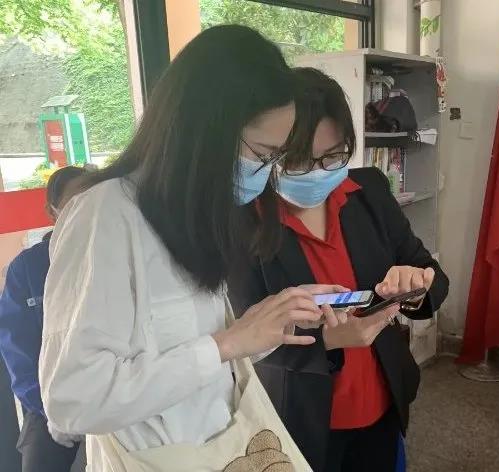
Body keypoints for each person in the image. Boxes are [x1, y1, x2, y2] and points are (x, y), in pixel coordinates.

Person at [38, 26, 343, 471]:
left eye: (275, 159)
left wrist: (269, 321)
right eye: (263, 153)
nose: (266, 172)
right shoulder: (104, 215)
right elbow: (73, 401)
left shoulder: (193, 212)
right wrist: (226, 343)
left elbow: (199, 350)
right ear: (204, 131)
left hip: (220, 450)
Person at [229, 68, 450, 472]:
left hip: (382, 401)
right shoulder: (243, 220)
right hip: (300, 416)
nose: (318, 171)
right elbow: (243, 334)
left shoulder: (368, 190)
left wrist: (415, 287)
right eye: (298, 160)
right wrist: (328, 340)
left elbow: (430, 272)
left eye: (332, 156)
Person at [0, 166, 87, 472]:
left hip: (110, 392)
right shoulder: (27, 269)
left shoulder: (113, 257)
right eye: (75, 202)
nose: (86, 210)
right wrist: (50, 409)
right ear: (53, 211)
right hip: (48, 404)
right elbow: (18, 353)